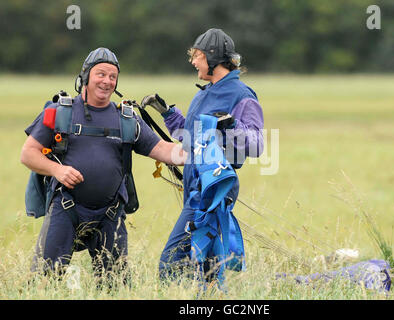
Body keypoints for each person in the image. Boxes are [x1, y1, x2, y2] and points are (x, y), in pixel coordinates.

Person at [20, 47, 185, 285]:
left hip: (110, 213)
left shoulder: (127, 119)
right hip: (66, 207)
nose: (107, 81)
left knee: (115, 285)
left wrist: (204, 154)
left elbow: (164, 150)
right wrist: (58, 170)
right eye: (101, 74)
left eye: (112, 76)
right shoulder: (60, 112)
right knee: (43, 281)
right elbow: (28, 154)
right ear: (86, 76)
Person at [141, 28, 264, 284]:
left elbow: (257, 144)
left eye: (197, 56)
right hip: (195, 184)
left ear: (213, 57)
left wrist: (231, 128)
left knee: (172, 261)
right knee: (206, 266)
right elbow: (192, 138)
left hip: (213, 189)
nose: (193, 61)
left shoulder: (242, 95)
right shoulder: (204, 93)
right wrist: (167, 114)